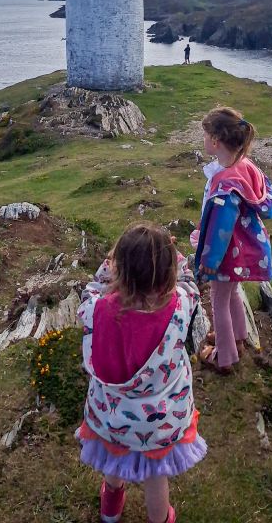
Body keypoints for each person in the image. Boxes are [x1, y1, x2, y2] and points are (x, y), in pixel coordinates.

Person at [76, 222, 206, 523]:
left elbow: (92, 289)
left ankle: (110, 508)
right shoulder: (180, 306)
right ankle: (160, 519)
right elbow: (190, 284)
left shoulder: (97, 309)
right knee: (156, 476)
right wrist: (177, 258)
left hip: (113, 418)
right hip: (160, 421)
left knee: (113, 460)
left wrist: (109, 266)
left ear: (119, 270)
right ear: (166, 273)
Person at [190, 107, 272, 375]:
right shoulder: (246, 166)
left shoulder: (224, 185)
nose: (203, 140)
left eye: (204, 135)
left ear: (215, 140)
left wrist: (208, 262)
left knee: (219, 299)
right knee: (233, 293)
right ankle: (237, 337)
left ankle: (225, 357)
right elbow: (269, 201)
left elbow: (221, 229)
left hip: (228, 252)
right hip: (247, 246)